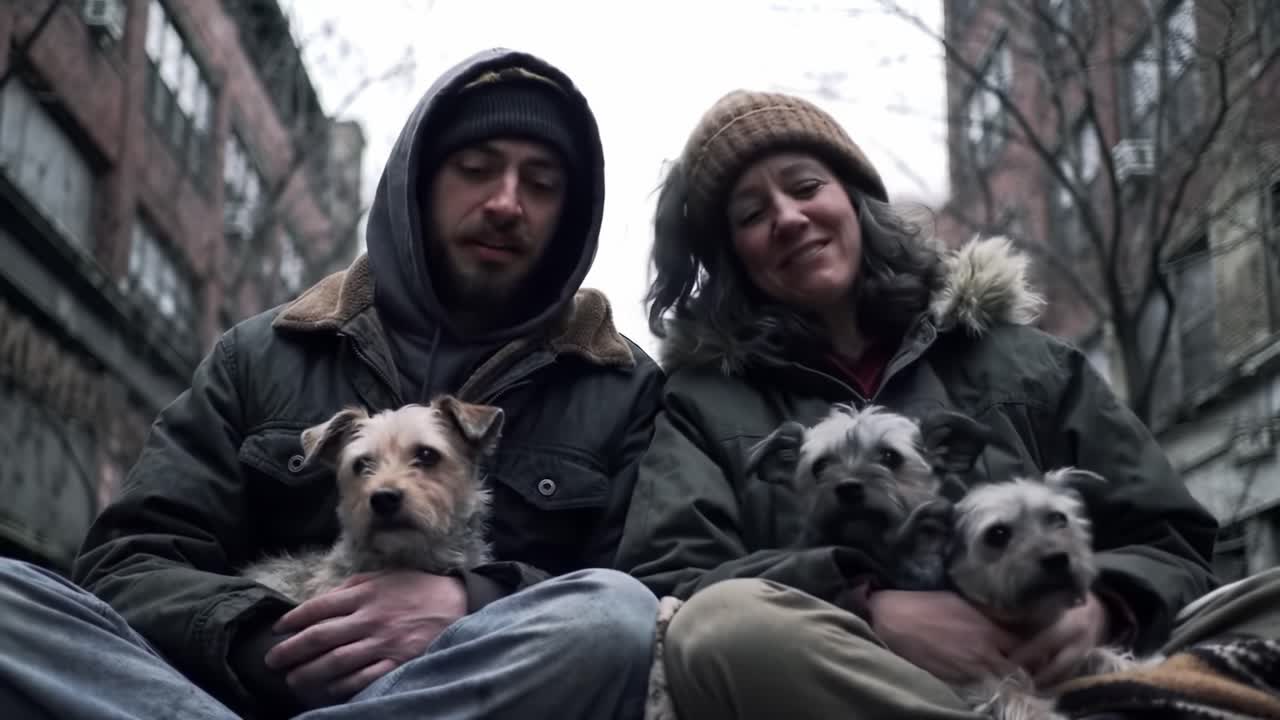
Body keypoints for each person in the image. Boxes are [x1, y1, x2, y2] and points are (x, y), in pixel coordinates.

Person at [0, 48, 663, 720]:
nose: (505, 202)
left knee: (621, 618)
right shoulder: (261, 353)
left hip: (486, 698)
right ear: (419, 183)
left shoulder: (619, 386)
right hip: (239, 699)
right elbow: (127, 565)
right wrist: (276, 645)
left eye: (543, 183)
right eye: (475, 168)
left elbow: (653, 600)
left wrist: (473, 605)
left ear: (570, 217)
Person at [616, 89, 1280, 719]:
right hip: (852, 679)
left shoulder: (1022, 359)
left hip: (1077, 661)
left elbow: (1175, 538)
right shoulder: (706, 404)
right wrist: (866, 605)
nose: (788, 218)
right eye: (751, 215)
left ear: (856, 199)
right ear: (735, 255)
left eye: (805, 186)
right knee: (717, 627)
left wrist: (1102, 604)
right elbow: (671, 578)